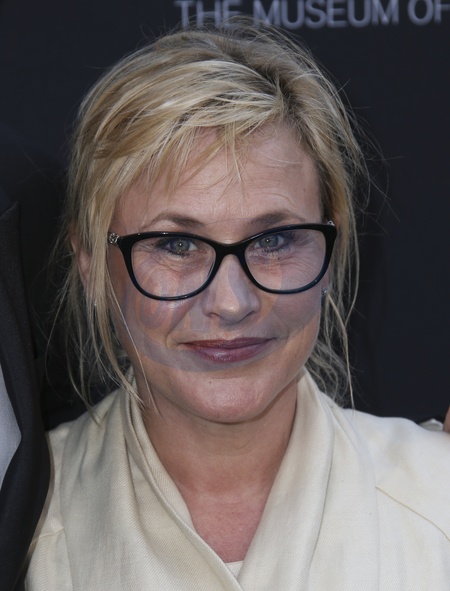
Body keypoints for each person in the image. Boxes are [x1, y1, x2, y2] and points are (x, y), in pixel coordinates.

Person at [25, 20, 450, 590]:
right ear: (90, 262)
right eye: (176, 245)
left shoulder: (438, 501)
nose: (231, 303)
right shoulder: (20, 527)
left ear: (332, 245)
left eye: (275, 240)